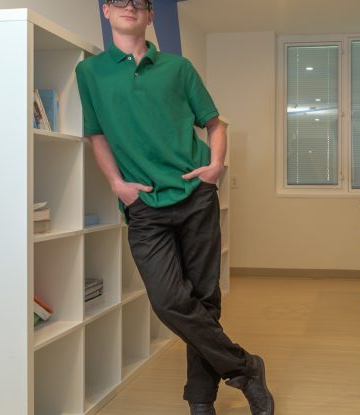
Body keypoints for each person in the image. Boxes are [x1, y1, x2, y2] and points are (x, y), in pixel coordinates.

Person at [75, 1, 274, 414]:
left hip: (194, 194)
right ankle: (246, 368)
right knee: (168, 301)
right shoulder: (89, 72)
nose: (131, 6)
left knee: (204, 299)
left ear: (149, 16)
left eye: (141, 3)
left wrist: (215, 166)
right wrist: (116, 184)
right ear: (106, 10)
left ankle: (200, 400)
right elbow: (96, 134)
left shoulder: (178, 69)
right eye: (121, 0)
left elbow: (213, 123)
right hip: (143, 204)